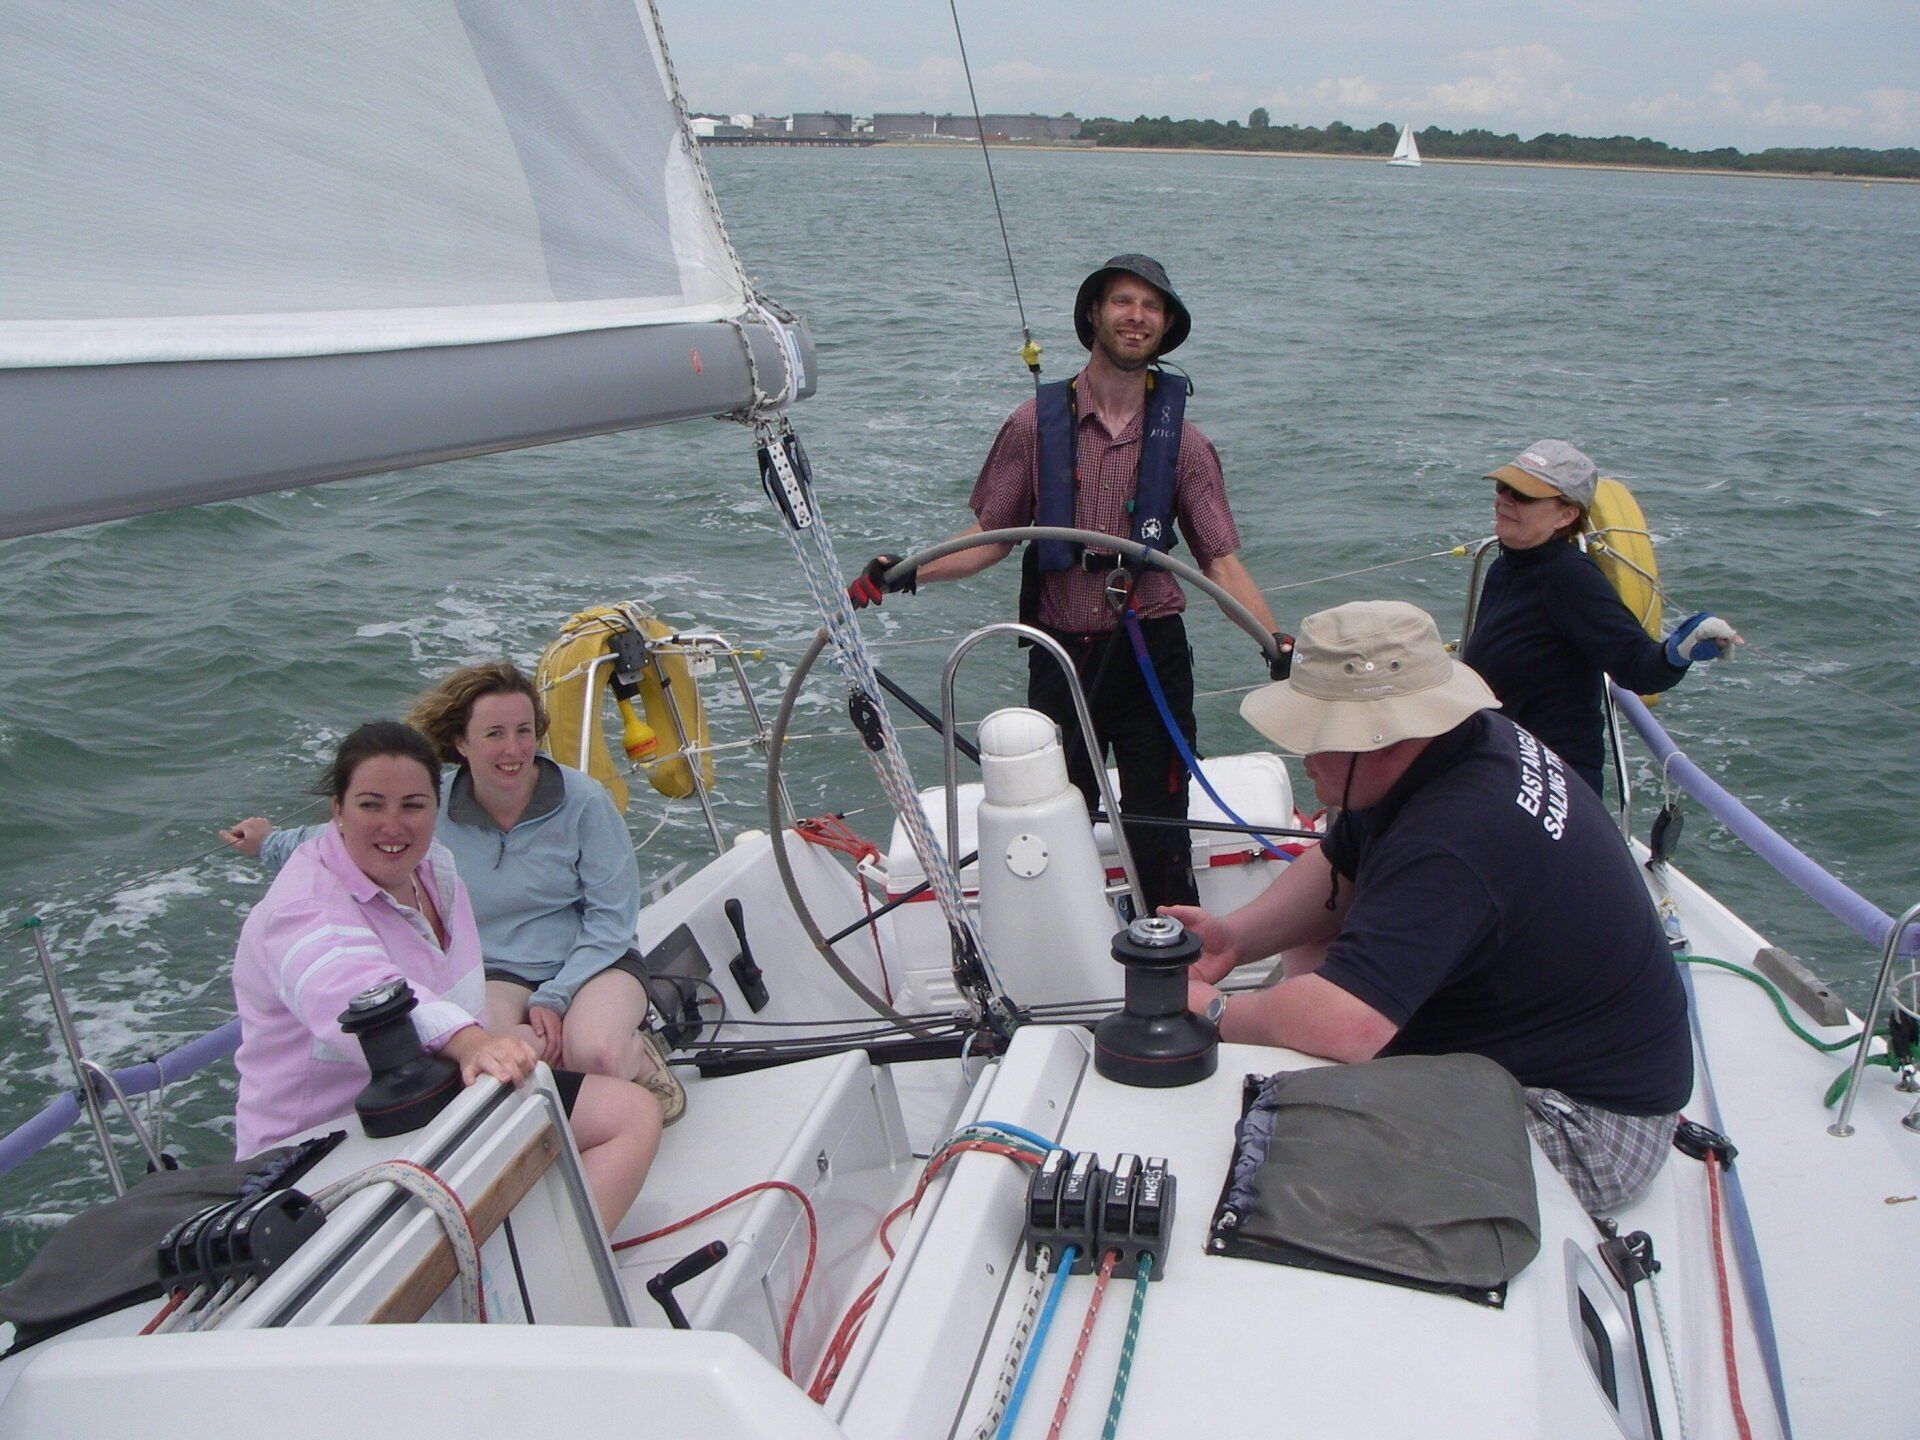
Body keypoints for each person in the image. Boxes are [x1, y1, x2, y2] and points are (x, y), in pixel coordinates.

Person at [1169, 601, 1694, 1212]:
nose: (1301, 752)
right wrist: (1232, 940)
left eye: (1318, 732)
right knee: (1308, 960)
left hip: (1588, 1123)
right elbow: (1341, 866)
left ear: (1383, 736)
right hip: (1555, 1048)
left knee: (1295, 1148)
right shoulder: (1455, 748)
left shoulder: (1456, 834)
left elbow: (1351, 1024)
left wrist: (1215, 1013)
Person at [847, 254, 1287, 913]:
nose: (1135, 316)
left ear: (1165, 327)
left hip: (1151, 656)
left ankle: (1176, 963)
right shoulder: (1032, 428)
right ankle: (1066, 947)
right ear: (1093, 315)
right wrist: (903, 575)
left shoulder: (1187, 445)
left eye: (1150, 307)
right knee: (1052, 820)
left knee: (1159, 821)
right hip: (1061, 656)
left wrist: (1275, 644)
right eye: (1122, 301)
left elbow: (1221, 563)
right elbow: (991, 538)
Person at [231, 721, 660, 1228]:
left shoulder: (434, 869)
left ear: (436, 809)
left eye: (412, 805)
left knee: (626, 1112)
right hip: (321, 1154)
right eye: (371, 805)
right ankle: (538, 1295)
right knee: (625, 1116)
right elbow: (356, 988)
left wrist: (501, 1040)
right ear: (338, 811)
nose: (393, 825)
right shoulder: (303, 909)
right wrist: (476, 1044)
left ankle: (545, 1262)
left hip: (428, 1100)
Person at [222, 662, 684, 1123]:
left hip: (595, 961)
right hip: (502, 971)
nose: (513, 749)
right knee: (498, 1065)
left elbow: (612, 921)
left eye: (524, 731)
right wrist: (266, 843)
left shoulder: (584, 802)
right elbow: (342, 835)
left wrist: (557, 996)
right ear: (461, 743)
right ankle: (573, 1133)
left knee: (595, 1049)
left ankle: (638, 1063)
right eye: (495, 733)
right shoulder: (427, 805)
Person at [1461, 440, 1740, 797]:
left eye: (1524, 495)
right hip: (1500, 756)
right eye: (1504, 488)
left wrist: (1679, 650)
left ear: (1566, 516)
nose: (1504, 500)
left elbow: (1637, 665)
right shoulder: (1506, 565)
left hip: (1549, 781)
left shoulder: (1570, 579)